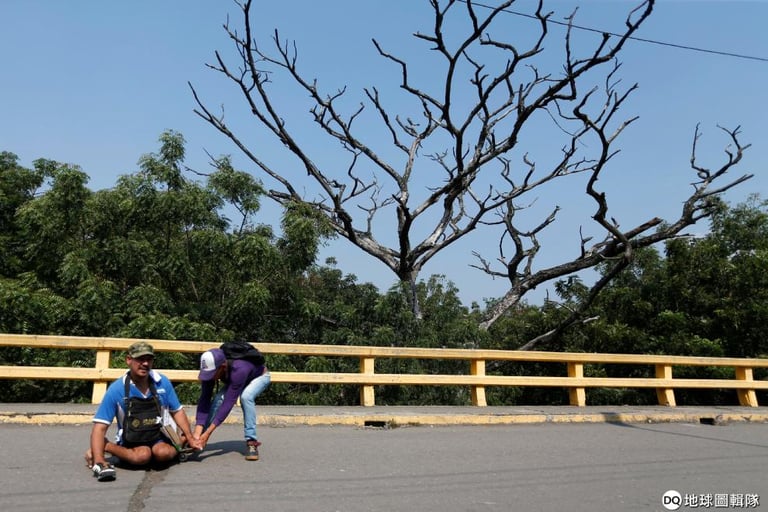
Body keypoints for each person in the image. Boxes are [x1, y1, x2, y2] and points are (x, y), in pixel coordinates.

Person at [85, 341, 202, 481]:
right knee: (142, 456)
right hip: (131, 439)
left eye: (149, 359)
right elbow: (100, 427)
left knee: (163, 453)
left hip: (158, 436)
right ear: (129, 360)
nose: (145, 364)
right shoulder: (117, 389)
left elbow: (177, 411)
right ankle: (107, 446)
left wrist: (190, 438)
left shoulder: (162, 382)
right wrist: (99, 460)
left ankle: (182, 441)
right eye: (140, 359)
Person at [193, 344, 271, 461]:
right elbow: (205, 399)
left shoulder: (239, 368)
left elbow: (228, 403)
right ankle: (198, 438)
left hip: (259, 377)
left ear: (223, 367)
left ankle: (251, 442)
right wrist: (197, 433)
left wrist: (208, 433)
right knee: (218, 399)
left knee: (246, 397)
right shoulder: (211, 369)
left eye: (212, 374)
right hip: (236, 380)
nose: (209, 377)